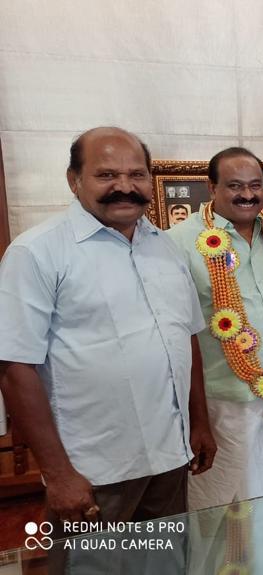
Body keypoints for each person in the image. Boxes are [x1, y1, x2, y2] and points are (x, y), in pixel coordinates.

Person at [0, 127, 215, 553]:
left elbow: (186, 338)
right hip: (94, 471)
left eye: (136, 174)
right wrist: (58, 474)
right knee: (93, 567)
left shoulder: (165, 247)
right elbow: (13, 366)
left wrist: (200, 422)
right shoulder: (37, 252)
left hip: (170, 458)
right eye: (106, 175)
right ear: (73, 180)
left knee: (164, 564)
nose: (124, 186)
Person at [167, 147, 263, 512]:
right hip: (224, 406)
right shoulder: (178, 242)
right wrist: (196, 419)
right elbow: (177, 335)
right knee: (229, 513)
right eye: (234, 185)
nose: (247, 194)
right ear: (211, 187)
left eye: (255, 185)